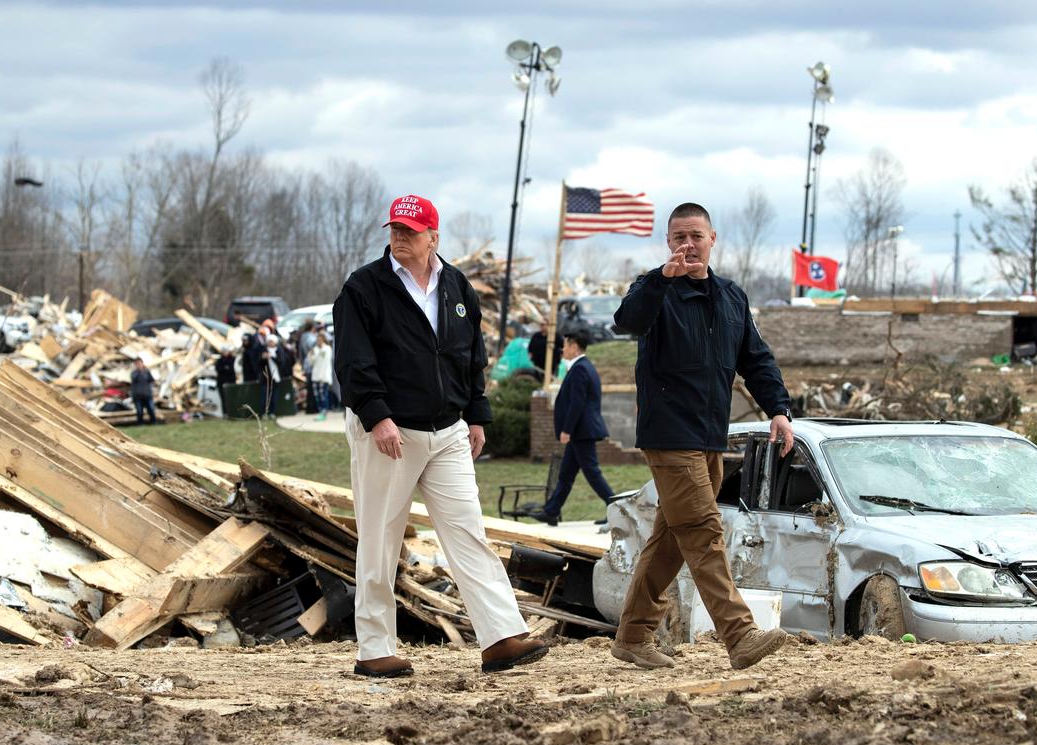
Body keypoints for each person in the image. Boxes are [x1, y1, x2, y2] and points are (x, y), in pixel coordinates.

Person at [334, 193, 549, 678]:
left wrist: (477, 414)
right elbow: (352, 361)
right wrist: (377, 416)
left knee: (468, 531)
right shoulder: (363, 288)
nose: (399, 238)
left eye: (410, 231)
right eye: (394, 229)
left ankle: (500, 638)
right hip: (388, 430)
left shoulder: (457, 286)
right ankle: (374, 649)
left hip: (448, 429)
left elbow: (471, 358)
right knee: (380, 539)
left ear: (434, 236)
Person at [610, 201, 794, 672]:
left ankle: (632, 636)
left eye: (695, 236)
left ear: (713, 238)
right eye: (678, 238)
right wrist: (661, 280)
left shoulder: (732, 298)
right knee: (704, 531)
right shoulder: (653, 291)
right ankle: (740, 634)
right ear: (667, 242)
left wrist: (778, 409)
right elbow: (627, 320)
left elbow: (756, 358)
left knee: (672, 539)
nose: (687, 245)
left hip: (711, 435)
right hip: (669, 434)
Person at [530, 332, 615, 527]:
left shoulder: (580, 369)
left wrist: (567, 429)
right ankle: (551, 511)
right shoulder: (582, 367)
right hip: (581, 431)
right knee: (566, 474)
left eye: (566, 346)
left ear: (575, 347)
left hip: (581, 431)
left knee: (592, 472)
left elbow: (577, 403)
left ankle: (618, 509)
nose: (563, 349)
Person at [309, 332, 334, 421]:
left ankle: (324, 412)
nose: (318, 341)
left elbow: (326, 359)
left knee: (323, 395)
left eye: (320, 339)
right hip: (315, 376)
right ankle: (320, 411)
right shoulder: (314, 349)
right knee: (317, 396)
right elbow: (311, 362)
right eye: (317, 340)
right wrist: (311, 355)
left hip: (324, 376)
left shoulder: (327, 349)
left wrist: (319, 350)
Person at [129, 358, 156, 425]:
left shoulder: (146, 372)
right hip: (137, 395)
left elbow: (152, 380)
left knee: (151, 409)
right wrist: (139, 371)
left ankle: (153, 422)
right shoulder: (134, 373)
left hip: (147, 394)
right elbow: (133, 379)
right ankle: (140, 423)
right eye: (137, 364)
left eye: (139, 363)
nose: (138, 365)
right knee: (139, 411)